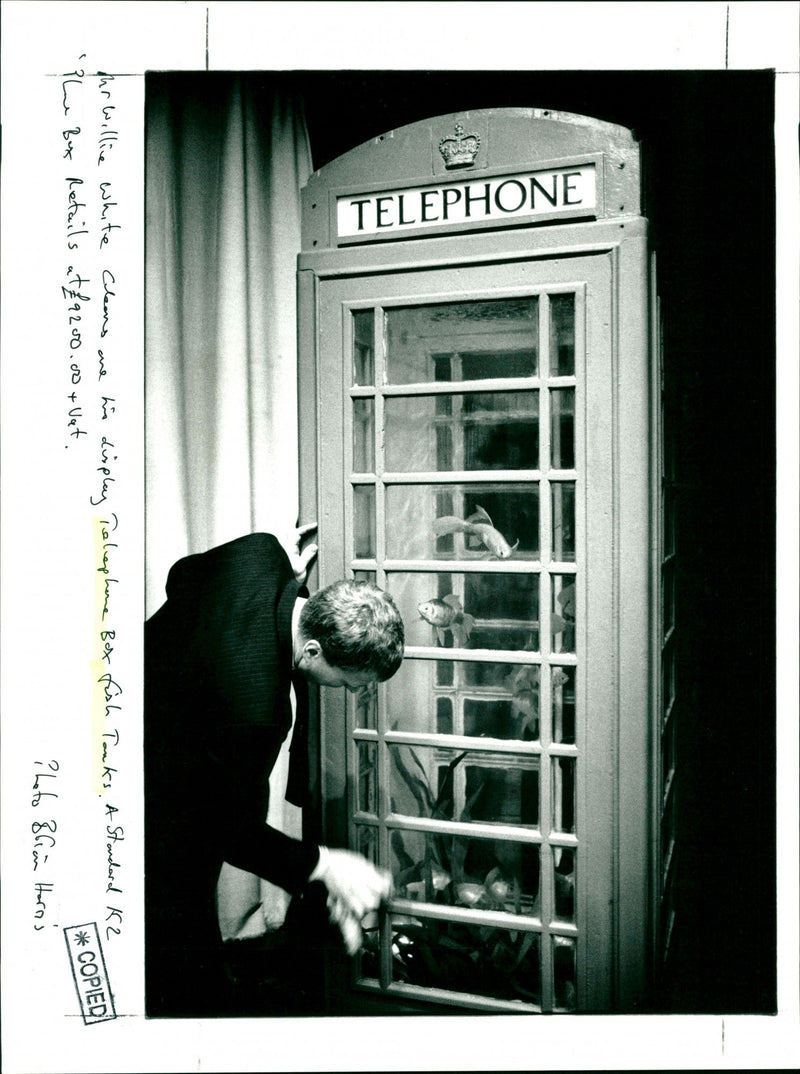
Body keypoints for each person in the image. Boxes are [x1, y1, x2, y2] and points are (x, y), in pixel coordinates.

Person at [144, 527, 404, 1017]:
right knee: (185, 973)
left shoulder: (260, 553)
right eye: (348, 683)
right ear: (312, 652)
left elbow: (182, 577)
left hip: (123, 700)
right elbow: (226, 829)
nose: (349, 694)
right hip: (149, 798)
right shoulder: (257, 711)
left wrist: (286, 581)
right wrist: (325, 865)